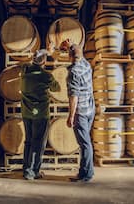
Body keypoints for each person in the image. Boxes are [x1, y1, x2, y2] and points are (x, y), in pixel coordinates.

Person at [20, 49, 60, 180]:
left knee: (28, 141)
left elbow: (25, 63)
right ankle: (33, 172)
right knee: (38, 143)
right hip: (41, 114)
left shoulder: (25, 72)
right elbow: (57, 88)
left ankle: (26, 169)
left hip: (26, 113)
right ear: (44, 61)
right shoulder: (46, 76)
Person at [65, 41, 95, 182]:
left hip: (81, 112)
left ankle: (87, 174)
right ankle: (83, 173)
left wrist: (71, 116)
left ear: (70, 56)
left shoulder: (73, 73)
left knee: (85, 144)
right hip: (90, 109)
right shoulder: (86, 65)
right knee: (85, 142)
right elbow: (78, 54)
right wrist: (72, 45)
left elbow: (74, 97)